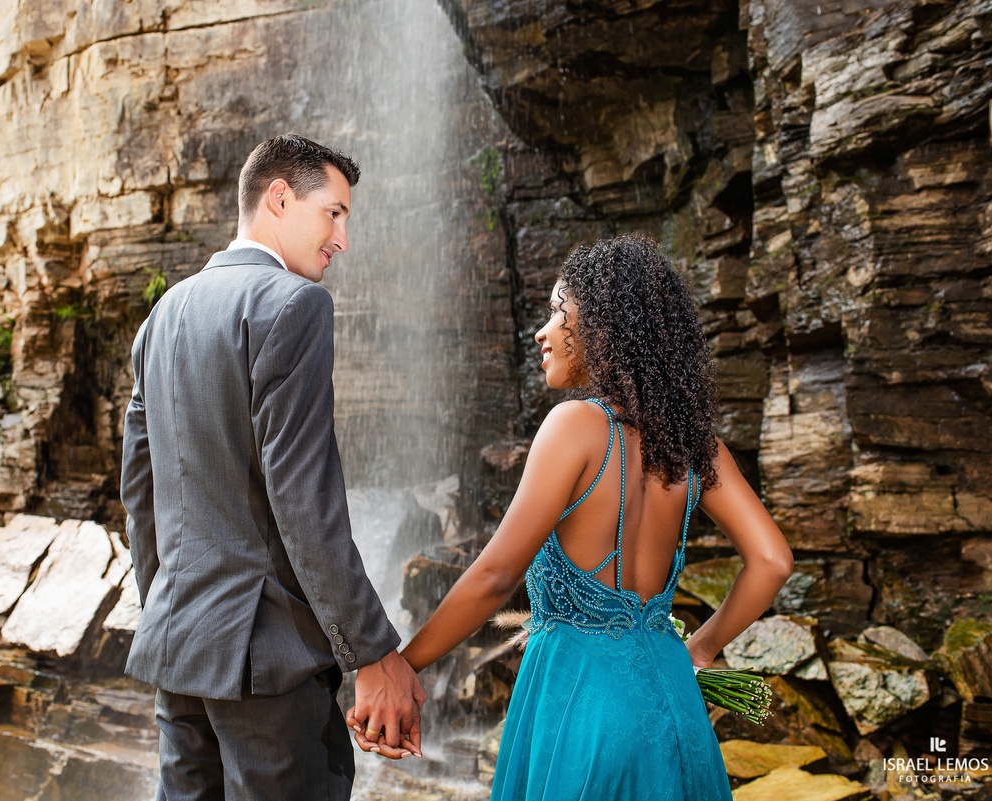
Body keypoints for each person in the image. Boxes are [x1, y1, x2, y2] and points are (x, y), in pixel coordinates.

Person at [350, 234, 794, 798]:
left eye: (559, 310)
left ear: (605, 327)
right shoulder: (693, 445)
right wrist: (701, 649)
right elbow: (773, 560)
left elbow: (495, 577)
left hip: (580, 710)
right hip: (672, 705)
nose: (543, 330)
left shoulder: (575, 427)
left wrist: (403, 667)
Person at [121, 133, 426, 801]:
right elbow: (302, 500)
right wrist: (372, 653)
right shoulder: (293, 305)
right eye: (334, 214)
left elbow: (140, 494)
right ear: (278, 198)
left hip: (180, 650)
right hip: (268, 665)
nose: (342, 239)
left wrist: (169, 611)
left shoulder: (160, 319)